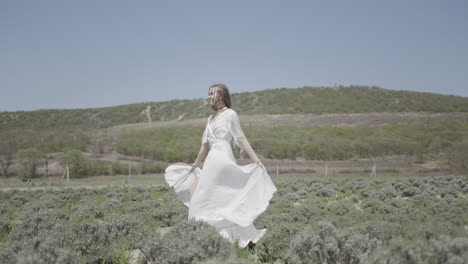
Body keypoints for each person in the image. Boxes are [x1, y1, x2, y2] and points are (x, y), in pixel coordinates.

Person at [164, 83, 277, 248]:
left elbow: (241, 139)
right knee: (216, 198)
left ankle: (214, 237)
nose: (209, 97)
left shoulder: (231, 114)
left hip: (223, 159)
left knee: (208, 197)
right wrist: (195, 164)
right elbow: (204, 145)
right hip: (211, 161)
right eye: (208, 94)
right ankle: (218, 238)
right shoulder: (210, 119)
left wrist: (256, 160)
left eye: (212, 94)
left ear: (222, 95)